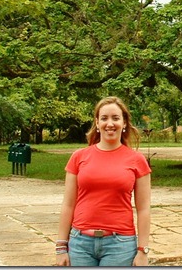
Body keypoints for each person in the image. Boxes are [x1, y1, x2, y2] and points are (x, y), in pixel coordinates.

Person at [55, 96, 152, 266]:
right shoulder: (79, 157)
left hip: (120, 245)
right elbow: (68, 204)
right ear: (97, 123)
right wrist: (61, 247)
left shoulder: (137, 160)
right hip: (80, 244)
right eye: (104, 118)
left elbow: (143, 209)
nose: (110, 123)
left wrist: (143, 250)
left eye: (116, 118)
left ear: (124, 123)